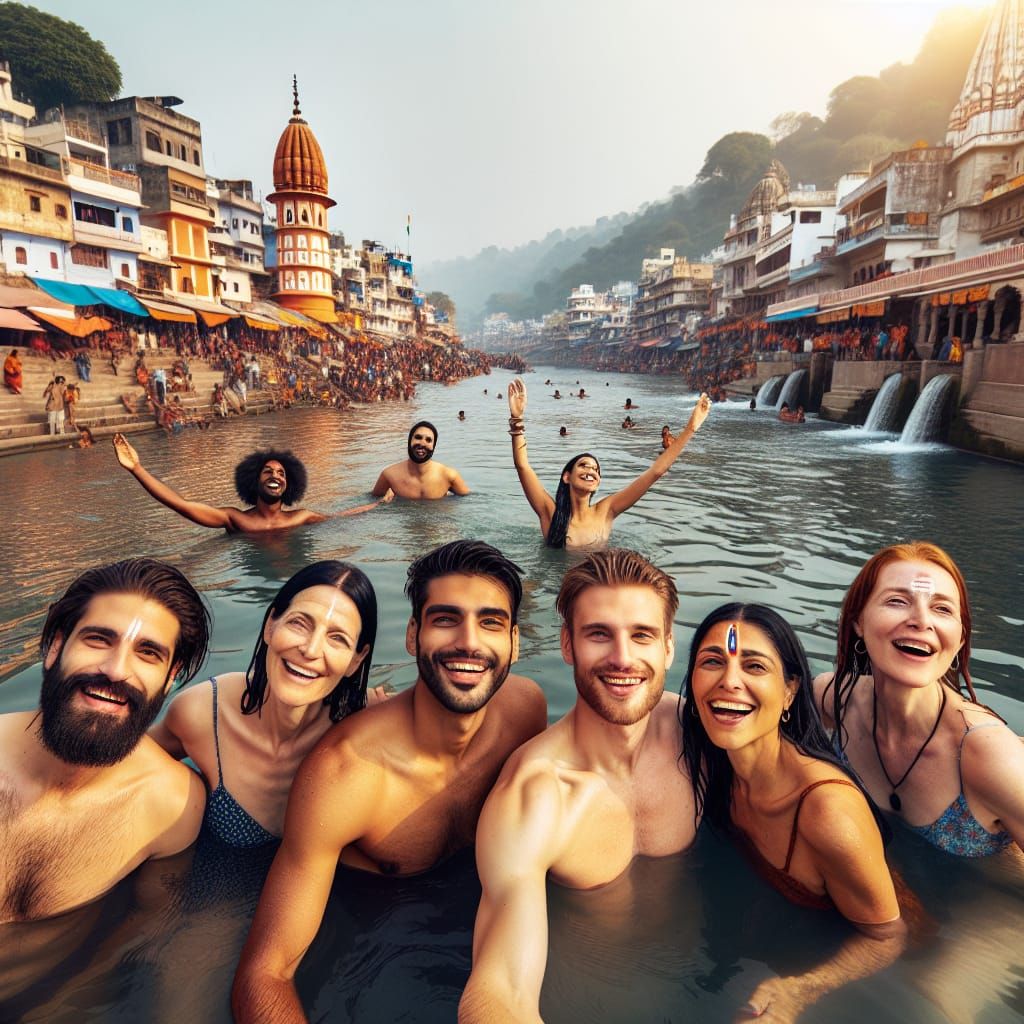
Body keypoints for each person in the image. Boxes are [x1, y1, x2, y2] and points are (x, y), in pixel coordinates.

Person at [231, 540, 546, 1022]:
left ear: (515, 642)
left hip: (487, 928)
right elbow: (265, 973)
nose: (469, 642)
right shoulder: (345, 772)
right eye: (445, 619)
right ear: (413, 633)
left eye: (491, 622)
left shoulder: (526, 710)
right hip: (367, 946)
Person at [459, 549, 697, 1022]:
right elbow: (499, 991)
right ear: (568, 644)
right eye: (598, 635)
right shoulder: (536, 793)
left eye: (642, 635)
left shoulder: (701, 734)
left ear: (668, 646)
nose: (623, 658)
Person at [682, 602, 907, 1020]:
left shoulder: (827, 811)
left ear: (790, 691)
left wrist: (800, 991)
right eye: (712, 661)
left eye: (754, 667)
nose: (729, 681)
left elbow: (887, 937)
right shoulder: (715, 763)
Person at [0, 558, 210, 922]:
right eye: (98, 639)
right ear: (56, 646)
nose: (115, 670)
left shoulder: (173, 807)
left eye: (148, 653)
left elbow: (146, 940)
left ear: (170, 677)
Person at [151, 562, 385, 848]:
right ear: (270, 625)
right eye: (300, 623)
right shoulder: (203, 712)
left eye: (337, 638)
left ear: (356, 660)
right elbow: (122, 769)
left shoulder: (369, 723)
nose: (310, 650)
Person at [815, 542, 1024, 855]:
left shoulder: (990, 756)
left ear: (960, 638)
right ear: (859, 621)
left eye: (942, 609)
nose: (921, 621)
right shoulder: (831, 699)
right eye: (898, 601)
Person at [507, 377, 711, 548]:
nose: (590, 471)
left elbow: (655, 472)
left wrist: (690, 429)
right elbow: (522, 465)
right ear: (566, 476)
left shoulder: (606, 511)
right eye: (583, 465)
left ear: (598, 482)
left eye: (595, 469)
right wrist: (517, 419)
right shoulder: (550, 514)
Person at [113, 436, 382, 533]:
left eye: (281, 473)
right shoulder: (235, 519)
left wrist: (380, 504)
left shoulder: (300, 518)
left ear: (288, 486)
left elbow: (340, 518)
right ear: (255, 481)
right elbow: (181, 506)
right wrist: (137, 469)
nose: (275, 475)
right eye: (267, 472)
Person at [370, 420, 471, 500]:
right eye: (418, 437)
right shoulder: (389, 475)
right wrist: (382, 503)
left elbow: (469, 502)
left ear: (433, 446)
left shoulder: (449, 475)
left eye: (428, 440)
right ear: (410, 441)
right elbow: (372, 502)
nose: (422, 443)